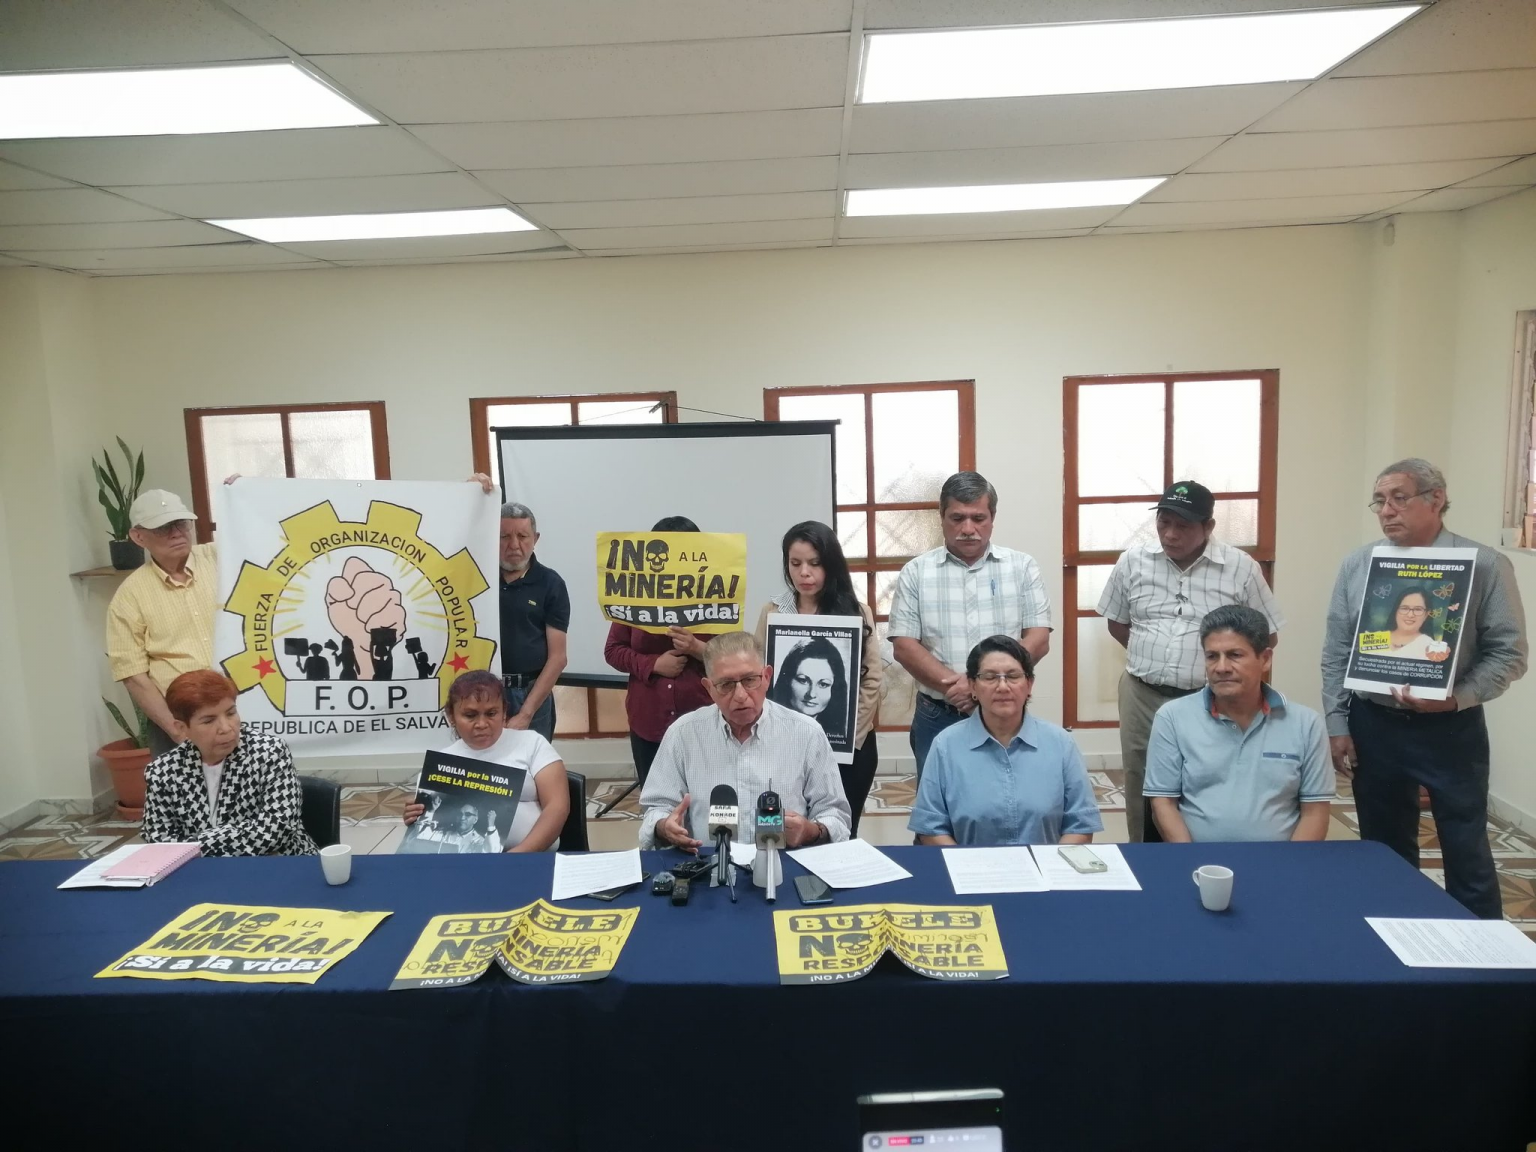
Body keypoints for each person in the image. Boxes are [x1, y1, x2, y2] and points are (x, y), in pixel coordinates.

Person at [1322, 459, 1527, 918]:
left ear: (1436, 499)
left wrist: (1455, 698)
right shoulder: (1359, 565)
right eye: (1379, 501)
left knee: (1466, 847)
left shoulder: (1484, 564)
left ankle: (1480, 952)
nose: (1386, 510)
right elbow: (1336, 650)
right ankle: (1395, 939)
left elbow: (1509, 654)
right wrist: (1337, 723)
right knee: (1383, 848)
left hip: (1451, 727)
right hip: (1374, 723)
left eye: (1399, 498)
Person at [1098, 480, 1284, 842]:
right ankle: (1146, 857)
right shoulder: (1133, 561)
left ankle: (1204, 854)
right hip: (1142, 693)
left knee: (1209, 775)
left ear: (1208, 526)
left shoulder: (1240, 568)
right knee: (1141, 778)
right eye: (1163, 523)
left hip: (1210, 698)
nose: (1170, 534)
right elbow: (1117, 622)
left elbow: (1267, 635)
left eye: (1182, 526)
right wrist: (1156, 655)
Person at [889, 471, 1052, 780]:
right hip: (939, 713)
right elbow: (905, 647)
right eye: (957, 518)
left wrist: (982, 685)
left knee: (1008, 796)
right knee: (938, 801)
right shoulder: (916, 572)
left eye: (978, 518)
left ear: (992, 518)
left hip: (1005, 710)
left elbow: (1039, 639)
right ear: (942, 517)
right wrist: (958, 687)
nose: (967, 529)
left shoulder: (1022, 567)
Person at [639, 632, 852, 851]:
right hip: (707, 862)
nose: (740, 695)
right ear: (709, 688)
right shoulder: (683, 734)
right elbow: (657, 808)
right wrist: (663, 826)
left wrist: (812, 832)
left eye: (750, 680)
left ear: (766, 677)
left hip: (784, 862)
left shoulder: (807, 733)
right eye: (726, 684)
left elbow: (835, 815)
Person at [1146, 606, 1333, 843]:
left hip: (1281, 860)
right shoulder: (1172, 718)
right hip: (1199, 859)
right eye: (1212, 656)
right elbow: (1163, 803)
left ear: (1265, 659)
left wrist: (1290, 863)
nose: (1221, 667)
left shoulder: (1306, 724)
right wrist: (1192, 858)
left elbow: (1315, 812)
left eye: (1235, 655)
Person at [754, 520, 884, 835]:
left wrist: (846, 737)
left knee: (839, 833)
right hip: (784, 749)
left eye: (815, 563)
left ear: (831, 565)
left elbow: (871, 682)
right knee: (785, 830)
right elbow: (759, 676)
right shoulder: (773, 612)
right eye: (795, 563)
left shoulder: (857, 612)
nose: (804, 573)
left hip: (851, 749)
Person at [909, 636, 1101, 846]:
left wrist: (1050, 863)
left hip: (1046, 865)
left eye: (1013, 676)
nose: (1002, 686)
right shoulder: (945, 745)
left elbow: (1081, 825)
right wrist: (966, 863)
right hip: (970, 866)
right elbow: (930, 828)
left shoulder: (1060, 743)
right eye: (989, 677)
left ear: (1029, 684)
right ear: (972, 686)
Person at [140, 669, 318, 856]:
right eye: (209, 721)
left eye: (231, 713)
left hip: (278, 861)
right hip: (199, 869)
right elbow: (157, 840)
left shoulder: (269, 752)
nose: (226, 728)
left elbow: (277, 829)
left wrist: (192, 845)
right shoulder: (163, 771)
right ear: (182, 728)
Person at [105, 490, 220, 757]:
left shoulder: (220, 558)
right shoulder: (129, 596)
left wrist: (243, 491)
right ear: (138, 537)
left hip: (242, 708)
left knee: (262, 782)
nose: (176, 533)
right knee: (186, 787)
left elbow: (270, 538)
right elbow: (133, 675)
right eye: (163, 527)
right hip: (178, 720)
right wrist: (177, 731)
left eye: (181, 523)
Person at [403, 670, 570, 851]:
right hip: (464, 861)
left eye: (491, 713)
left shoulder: (532, 743)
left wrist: (519, 855)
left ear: (504, 712)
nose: (482, 724)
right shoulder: (441, 765)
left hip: (535, 857)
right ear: (451, 716)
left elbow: (557, 806)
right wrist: (415, 816)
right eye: (470, 715)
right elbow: (426, 832)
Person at [605, 516, 713, 786]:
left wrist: (697, 648)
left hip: (702, 721)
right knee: (655, 799)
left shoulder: (716, 596)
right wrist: (653, 664)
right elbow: (613, 650)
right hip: (648, 721)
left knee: (704, 797)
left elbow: (731, 657)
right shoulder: (633, 595)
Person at [1379, 586, 1438, 659]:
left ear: (1426, 614)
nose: (1410, 615)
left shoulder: (1430, 646)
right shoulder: (1375, 639)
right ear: (1396, 610)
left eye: (1417, 609)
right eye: (1404, 608)